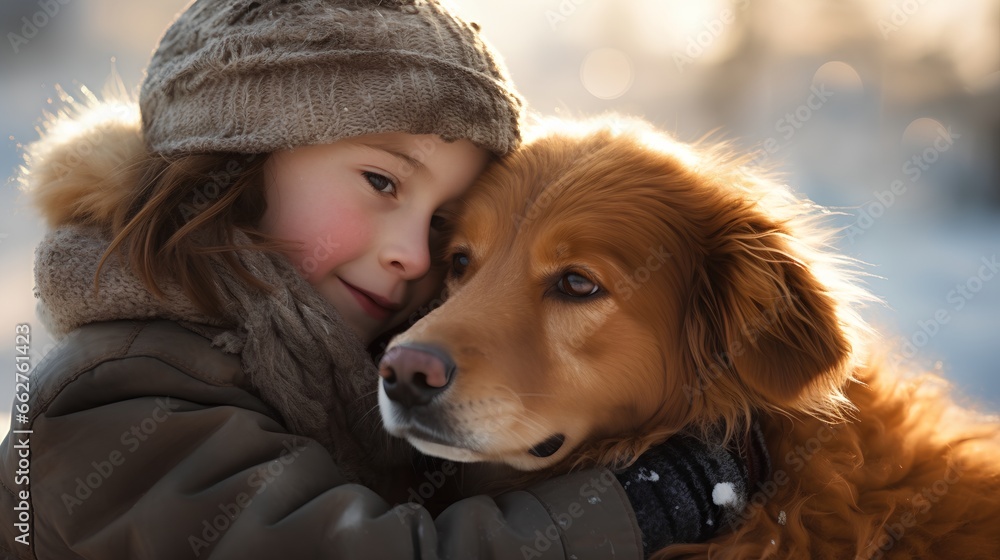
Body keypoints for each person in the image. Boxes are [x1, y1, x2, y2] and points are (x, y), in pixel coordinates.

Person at [0, 0, 768, 558]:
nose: (416, 255)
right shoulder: (119, 393)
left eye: (443, 230)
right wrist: (640, 507)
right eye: (380, 181)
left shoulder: (323, 355)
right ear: (237, 160)